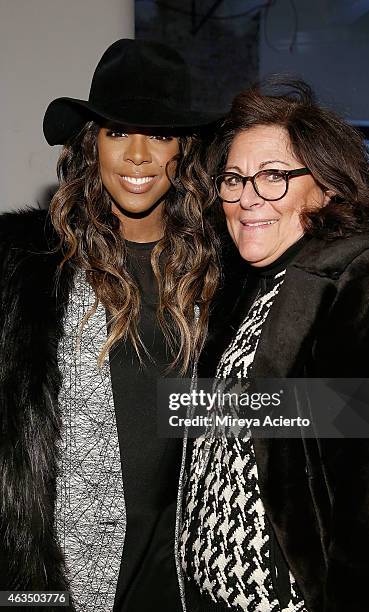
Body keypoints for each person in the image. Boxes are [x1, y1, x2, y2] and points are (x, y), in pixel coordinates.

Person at [0, 39, 220, 612]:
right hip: (49, 575)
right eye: (118, 132)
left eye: (161, 133)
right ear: (90, 143)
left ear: (186, 150)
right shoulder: (24, 266)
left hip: (181, 571)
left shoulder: (220, 273)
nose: (139, 155)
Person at [178, 79, 369, 612]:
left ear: (327, 186)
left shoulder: (363, 278)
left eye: (274, 177)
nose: (247, 196)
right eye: (234, 179)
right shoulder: (252, 284)